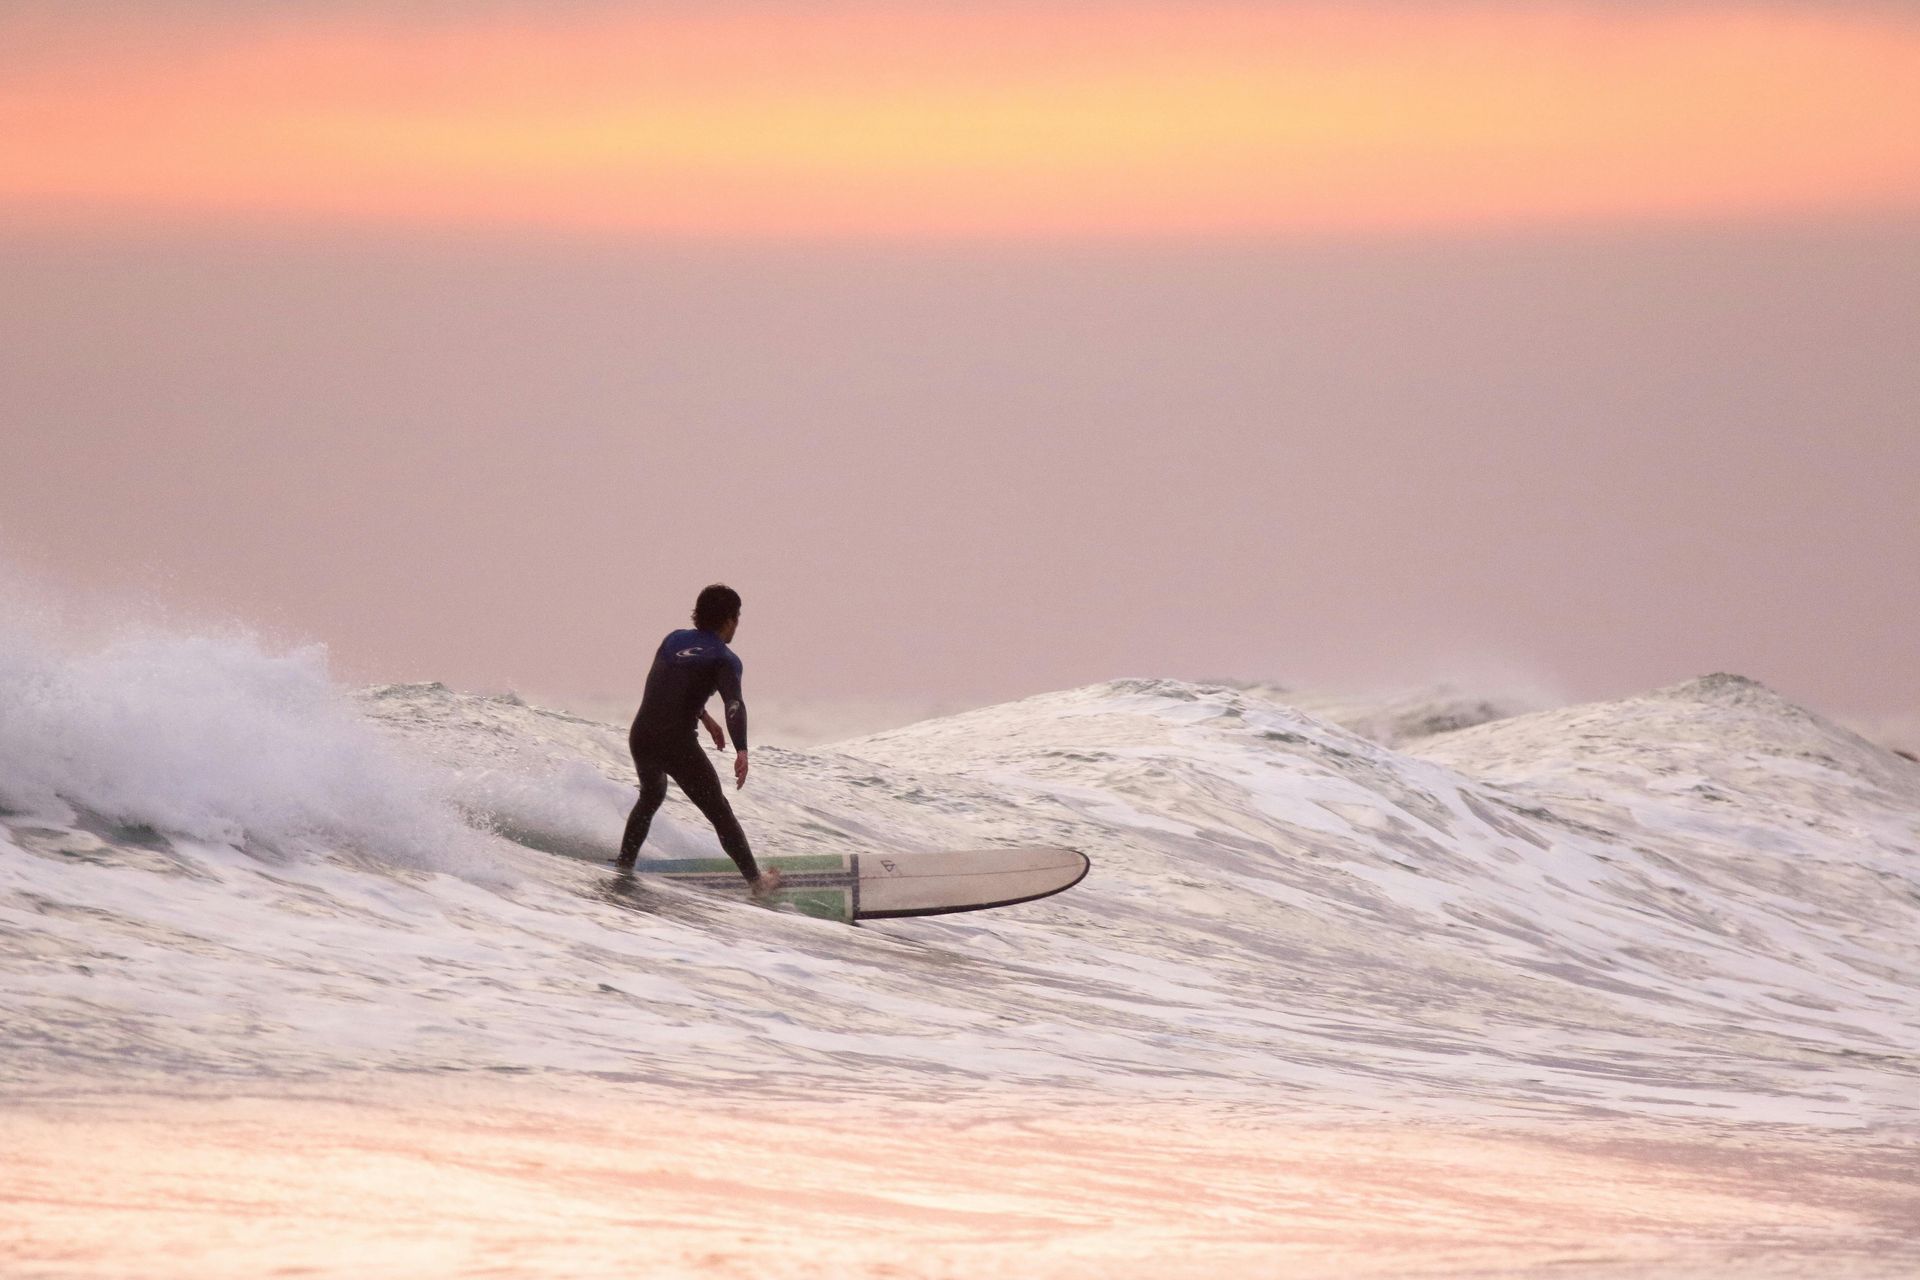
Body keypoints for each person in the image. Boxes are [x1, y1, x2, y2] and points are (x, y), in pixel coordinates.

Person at [615, 584, 781, 897]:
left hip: (642, 735)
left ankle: (624, 867)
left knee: (651, 795)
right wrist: (741, 749)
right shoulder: (724, 658)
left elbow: (670, 686)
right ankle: (758, 883)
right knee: (719, 812)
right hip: (675, 743)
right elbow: (734, 705)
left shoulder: (673, 640)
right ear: (730, 620)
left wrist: (703, 718)